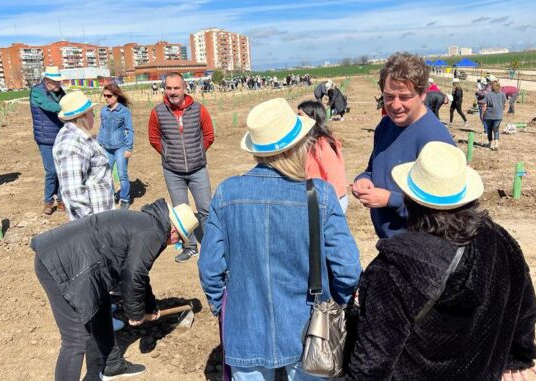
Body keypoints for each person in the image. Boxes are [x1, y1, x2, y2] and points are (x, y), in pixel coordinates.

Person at [346, 141, 536, 381]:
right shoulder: (498, 238)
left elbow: (372, 364)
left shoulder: (395, 267)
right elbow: (523, 305)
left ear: (408, 197)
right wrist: (518, 357)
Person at [199, 98, 361, 381]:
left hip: (245, 327)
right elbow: (347, 269)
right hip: (309, 330)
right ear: (299, 144)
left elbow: (210, 268)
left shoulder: (227, 193)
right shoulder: (320, 195)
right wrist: (338, 304)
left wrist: (224, 309)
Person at [32, 199, 199, 381]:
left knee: (101, 307)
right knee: (76, 338)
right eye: (179, 240)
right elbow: (133, 274)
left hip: (74, 259)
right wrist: (135, 313)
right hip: (59, 264)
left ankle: (113, 365)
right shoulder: (153, 233)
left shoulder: (148, 223)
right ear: (174, 231)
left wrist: (150, 307)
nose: (174, 244)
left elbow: (140, 273)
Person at [352, 52, 454, 239]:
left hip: (421, 245)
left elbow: (445, 210)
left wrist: (391, 200)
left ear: (423, 94)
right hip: (390, 241)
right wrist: (364, 179)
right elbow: (374, 169)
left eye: (404, 97)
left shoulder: (435, 139)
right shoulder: (385, 125)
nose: (395, 105)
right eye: (389, 96)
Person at [148, 72, 215, 263]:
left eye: (176, 88)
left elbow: (209, 135)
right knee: (181, 211)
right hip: (173, 172)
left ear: (184, 88)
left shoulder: (199, 110)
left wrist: (197, 153)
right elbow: (154, 139)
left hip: (198, 169)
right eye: (168, 88)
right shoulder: (157, 112)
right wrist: (169, 155)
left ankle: (211, 246)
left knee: (205, 209)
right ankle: (190, 246)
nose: (172, 92)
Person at [53, 91, 114, 220]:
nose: (94, 116)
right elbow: (73, 192)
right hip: (95, 221)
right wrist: (93, 224)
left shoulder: (79, 137)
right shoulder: (72, 145)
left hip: (100, 214)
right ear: (84, 116)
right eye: (92, 112)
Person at [298, 100, 349, 212]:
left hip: (330, 201)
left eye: (300, 115)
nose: (297, 119)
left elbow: (335, 175)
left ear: (312, 118)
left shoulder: (322, 144)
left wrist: (330, 204)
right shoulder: (308, 142)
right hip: (315, 198)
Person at [30, 66, 67, 215]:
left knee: (61, 170)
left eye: (59, 82)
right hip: (45, 137)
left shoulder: (59, 92)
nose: (58, 85)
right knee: (51, 170)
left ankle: (61, 200)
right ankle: (48, 201)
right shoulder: (37, 91)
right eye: (55, 82)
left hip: (61, 135)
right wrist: (69, 107)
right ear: (46, 80)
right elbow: (49, 106)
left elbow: (66, 101)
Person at [98, 84, 134, 210]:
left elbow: (130, 130)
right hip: (107, 148)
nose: (107, 98)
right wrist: (99, 145)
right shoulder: (104, 111)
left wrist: (129, 148)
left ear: (116, 95)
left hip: (120, 148)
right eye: (105, 96)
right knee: (106, 174)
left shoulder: (124, 112)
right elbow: (101, 128)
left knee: (122, 174)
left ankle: (125, 198)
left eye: (109, 96)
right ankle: (111, 196)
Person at [482, 80, 506, 151]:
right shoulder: (503, 94)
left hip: (489, 115)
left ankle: (490, 143)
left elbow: (484, 105)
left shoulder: (487, 94)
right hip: (498, 115)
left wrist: (483, 115)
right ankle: (496, 144)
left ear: (491, 87)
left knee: (489, 129)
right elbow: (504, 104)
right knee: (496, 130)